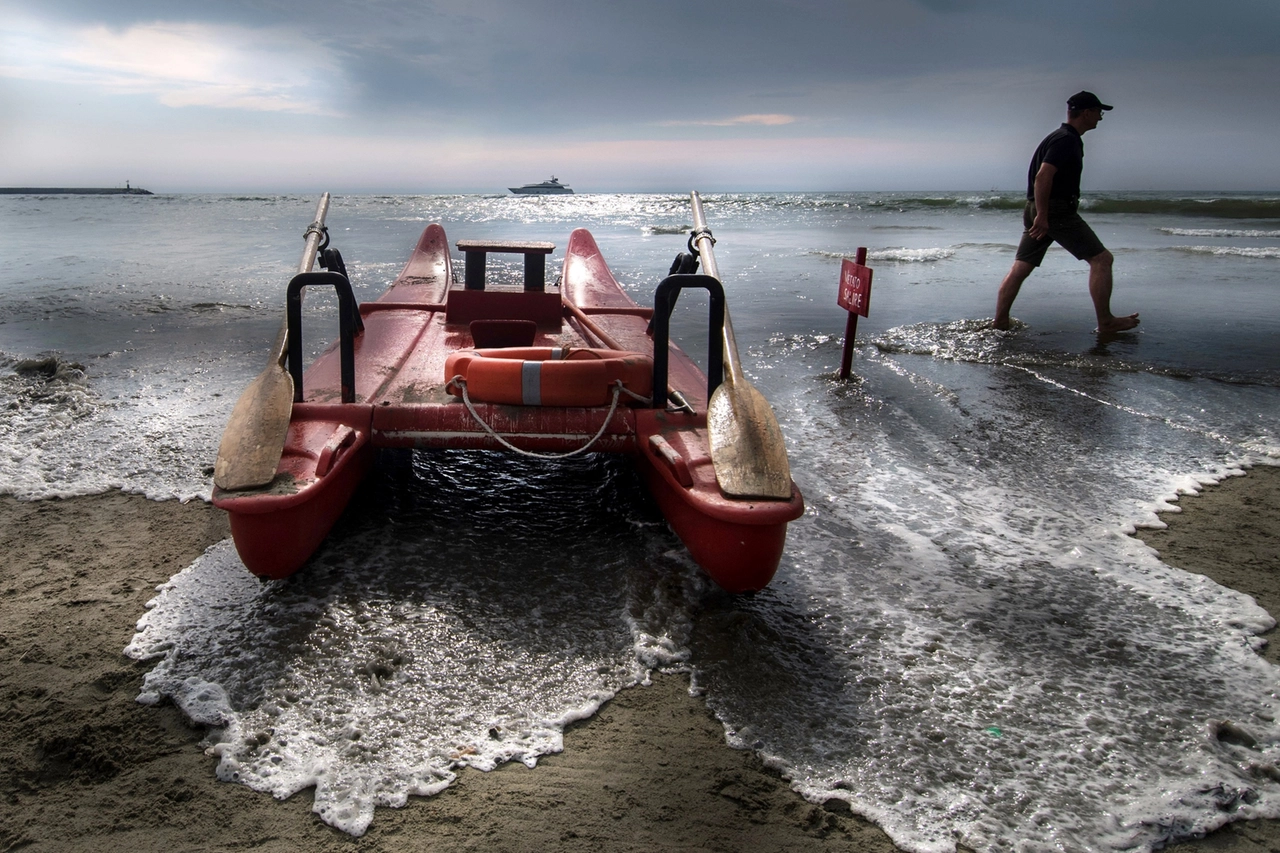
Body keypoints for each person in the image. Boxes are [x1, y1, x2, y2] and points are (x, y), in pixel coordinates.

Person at [993, 91, 1139, 333]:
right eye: (1098, 113)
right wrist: (1043, 215)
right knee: (1102, 260)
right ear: (1086, 113)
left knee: (1022, 266)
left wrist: (1038, 213)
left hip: (1037, 209)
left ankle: (1000, 321)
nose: (1100, 118)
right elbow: (1043, 177)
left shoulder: (1056, 137)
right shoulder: (1066, 140)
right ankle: (1106, 322)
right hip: (1054, 211)